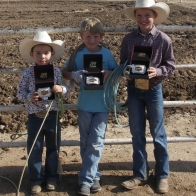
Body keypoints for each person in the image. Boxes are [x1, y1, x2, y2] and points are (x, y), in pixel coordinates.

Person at [120, 0, 176, 194]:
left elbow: (170, 65)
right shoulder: (128, 40)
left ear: (155, 16)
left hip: (153, 89)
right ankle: (139, 174)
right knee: (137, 133)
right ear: (135, 17)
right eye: (139, 15)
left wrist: (157, 70)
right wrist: (128, 70)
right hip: (134, 89)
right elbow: (123, 63)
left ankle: (162, 175)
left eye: (147, 15)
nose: (143, 19)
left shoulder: (163, 40)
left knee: (158, 134)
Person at [62, 17, 118, 196]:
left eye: (95, 36)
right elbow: (64, 72)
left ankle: (84, 180)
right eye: (88, 36)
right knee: (86, 142)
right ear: (81, 37)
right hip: (84, 105)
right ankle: (94, 175)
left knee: (95, 142)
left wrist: (109, 73)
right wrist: (75, 74)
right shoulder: (77, 56)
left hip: (102, 105)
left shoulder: (107, 55)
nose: (92, 40)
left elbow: (117, 73)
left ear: (101, 36)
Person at [17, 31, 70, 194]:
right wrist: (29, 96)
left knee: (54, 148)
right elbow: (19, 93)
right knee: (34, 149)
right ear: (32, 54)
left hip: (52, 116)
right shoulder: (27, 74)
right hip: (34, 117)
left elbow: (67, 91)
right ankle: (36, 180)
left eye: (46, 53)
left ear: (52, 54)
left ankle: (52, 177)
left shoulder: (56, 72)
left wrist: (61, 89)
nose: (42, 56)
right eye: (38, 53)